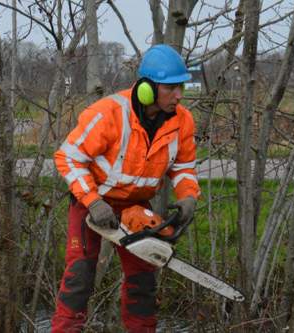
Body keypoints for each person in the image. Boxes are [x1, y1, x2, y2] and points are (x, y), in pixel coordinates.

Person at [52, 44, 200, 332]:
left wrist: (188, 197)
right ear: (147, 87)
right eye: (171, 88)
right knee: (79, 277)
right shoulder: (110, 113)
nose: (179, 95)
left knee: (142, 281)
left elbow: (182, 168)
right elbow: (68, 157)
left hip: (134, 208)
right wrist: (93, 202)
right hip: (90, 203)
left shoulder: (182, 121)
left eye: (181, 86)